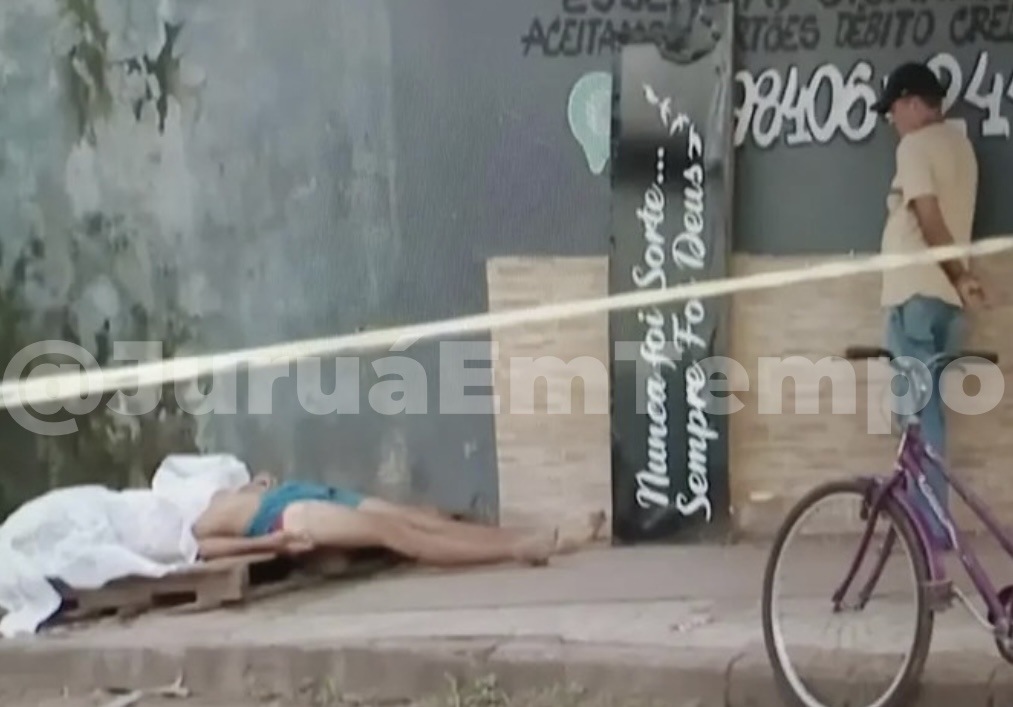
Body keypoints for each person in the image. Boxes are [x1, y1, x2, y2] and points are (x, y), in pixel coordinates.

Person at [872, 61, 988, 548]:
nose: (891, 120)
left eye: (894, 109)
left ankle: (928, 529)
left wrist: (958, 274)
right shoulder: (961, 148)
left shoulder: (915, 146)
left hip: (915, 293)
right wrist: (959, 279)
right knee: (930, 410)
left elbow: (927, 212)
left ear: (914, 103)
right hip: (945, 303)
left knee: (916, 415)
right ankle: (932, 523)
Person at [191, 472, 606, 567]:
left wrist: (256, 483)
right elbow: (203, 547)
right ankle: (515, 549)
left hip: (302, 492)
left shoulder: (226, 485)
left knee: (421, 518)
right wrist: (270, 544)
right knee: (396, 533)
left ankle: (546, 537)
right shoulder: (199, 516)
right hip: (288, 516)